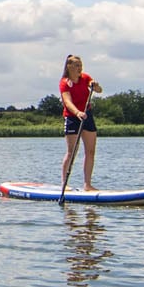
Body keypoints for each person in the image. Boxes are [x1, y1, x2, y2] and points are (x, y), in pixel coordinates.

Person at [56, 53, 101, 195]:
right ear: (69, 66)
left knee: (90, 151)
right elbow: (67, 102)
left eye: (80, 65)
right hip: (72, 117)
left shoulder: (85, 77)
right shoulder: (64, 82)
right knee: (72, 152)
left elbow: (99, 90)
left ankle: (87, 184)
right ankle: (65, 183)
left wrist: (95, 86)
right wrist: (77, 113)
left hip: (87, 115)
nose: (79, 68)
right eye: (76, 65)